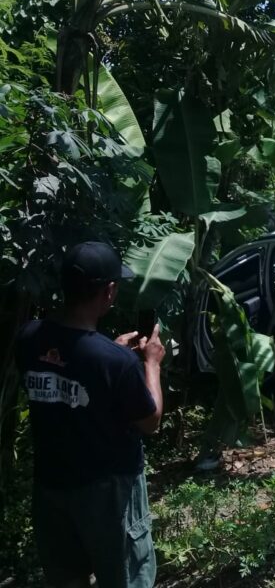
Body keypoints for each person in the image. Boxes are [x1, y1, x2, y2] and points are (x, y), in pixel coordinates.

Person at [15, 242, 164, 587]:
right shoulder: (116, 362)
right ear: (109, 291)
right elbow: (150, 420)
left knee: (66, 579)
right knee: (125, 578)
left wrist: (109, 353)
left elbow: (67, 374)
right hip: (108, 494)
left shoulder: (28, 338)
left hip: (51, 487)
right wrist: (151, 365)